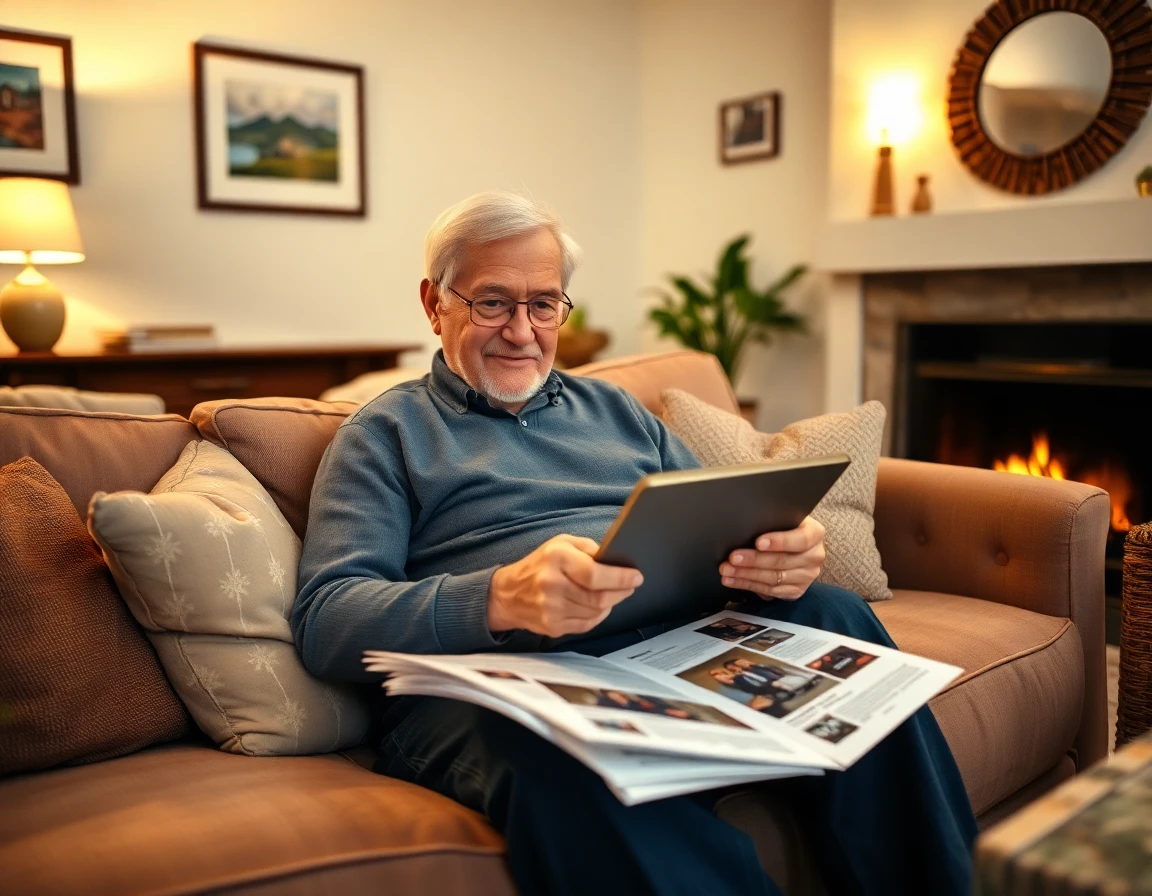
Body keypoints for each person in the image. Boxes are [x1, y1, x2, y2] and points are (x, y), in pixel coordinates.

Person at [294, 191, 977, 896]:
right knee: (552, 752)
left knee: (837, 617)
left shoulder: (615, 409)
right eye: (492, 303)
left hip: (669, 648)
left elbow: (717, 520)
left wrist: (781, 554)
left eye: (544, 304)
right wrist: (497, 599)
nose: (522, 332)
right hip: (504, 690)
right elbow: (327, 618)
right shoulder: (384, 435)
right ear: (435, 304)